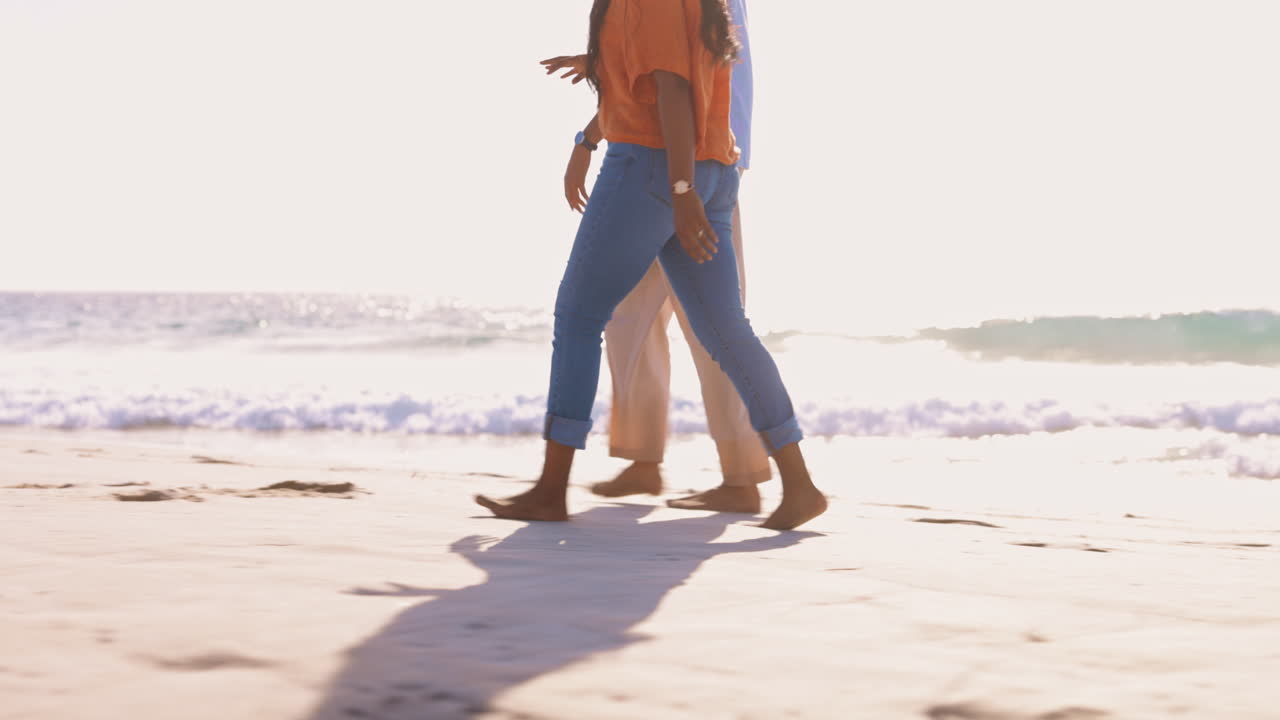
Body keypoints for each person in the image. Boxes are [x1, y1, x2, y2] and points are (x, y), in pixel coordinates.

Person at [475, 0, 826, 530]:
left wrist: (679, 191)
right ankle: (799, 486)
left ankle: (550, 490)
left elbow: (672, 89)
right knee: (726, 332)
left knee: (577, 317)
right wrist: (590, 135)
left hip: (651, 167)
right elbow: (661, 74)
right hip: (712, 168)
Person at [539, 0, 766, 515]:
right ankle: (643, 460)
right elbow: (661, 72)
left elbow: (680, 82)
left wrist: (684, 188)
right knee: (627, 319)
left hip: (689, 169)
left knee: (711, 329)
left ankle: (742, 473)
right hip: (674, 166)